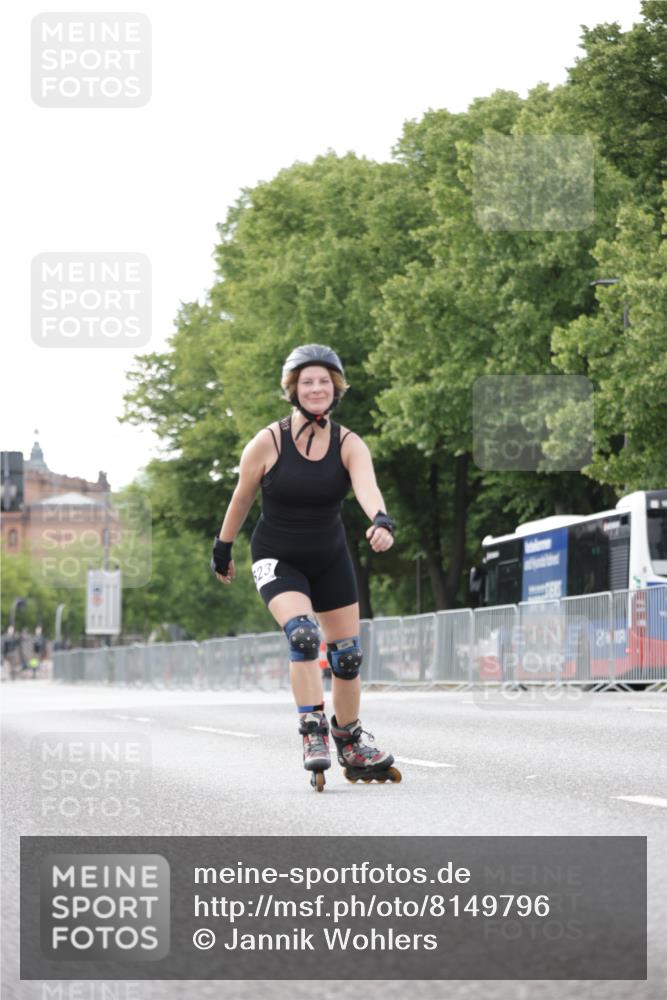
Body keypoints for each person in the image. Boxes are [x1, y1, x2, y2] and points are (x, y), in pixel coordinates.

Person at [211, 344, 401, 791]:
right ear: (293, 389)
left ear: (335, 389)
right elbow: (242, 497)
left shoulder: (349, 443)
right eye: (307, 381)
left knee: (348, 655)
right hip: (278, 556)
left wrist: (380, 520)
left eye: (324, 381)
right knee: (302, 633)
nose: (316, 388)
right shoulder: (268, 441)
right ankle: (312, 730)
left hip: (329, 556)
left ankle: (350, 739)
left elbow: (367, 487)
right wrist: (223, 547)